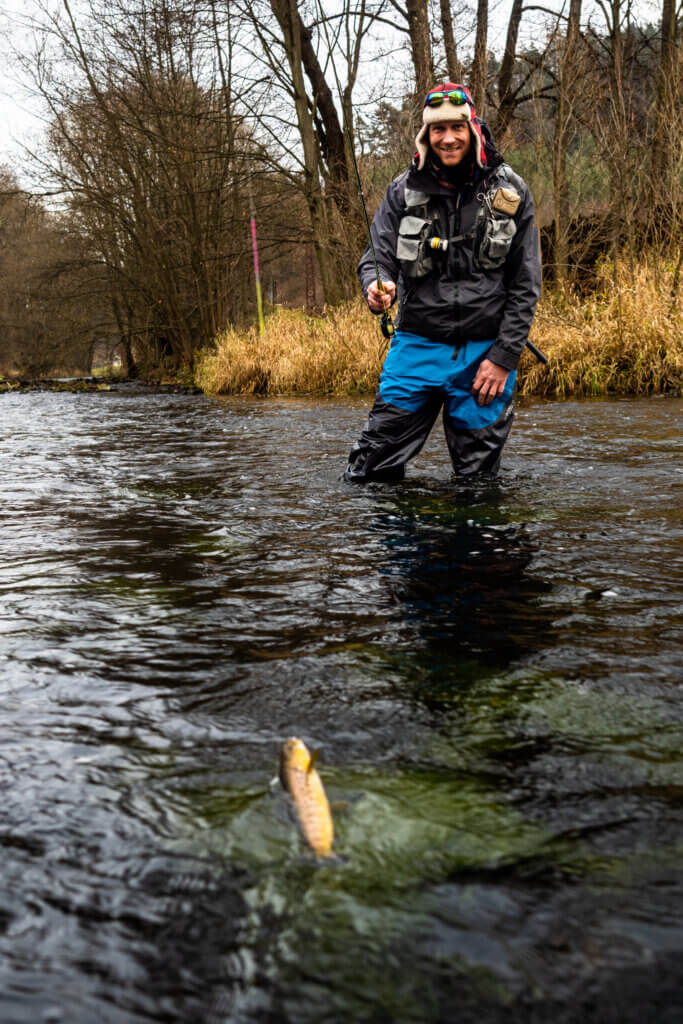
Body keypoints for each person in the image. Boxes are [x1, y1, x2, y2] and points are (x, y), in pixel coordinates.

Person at [344, 83, 542, 483]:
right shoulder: (402, 190)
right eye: (438, 129)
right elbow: (376, 257)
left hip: (484, 357)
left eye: (456, 127)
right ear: (426, 135)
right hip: (415, 347)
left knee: (477, 485)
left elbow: (526, 284)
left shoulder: (511, 190)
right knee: (367, 475)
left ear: (473, 129)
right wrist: (376, 287)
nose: (448, 138)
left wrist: (504, 357)